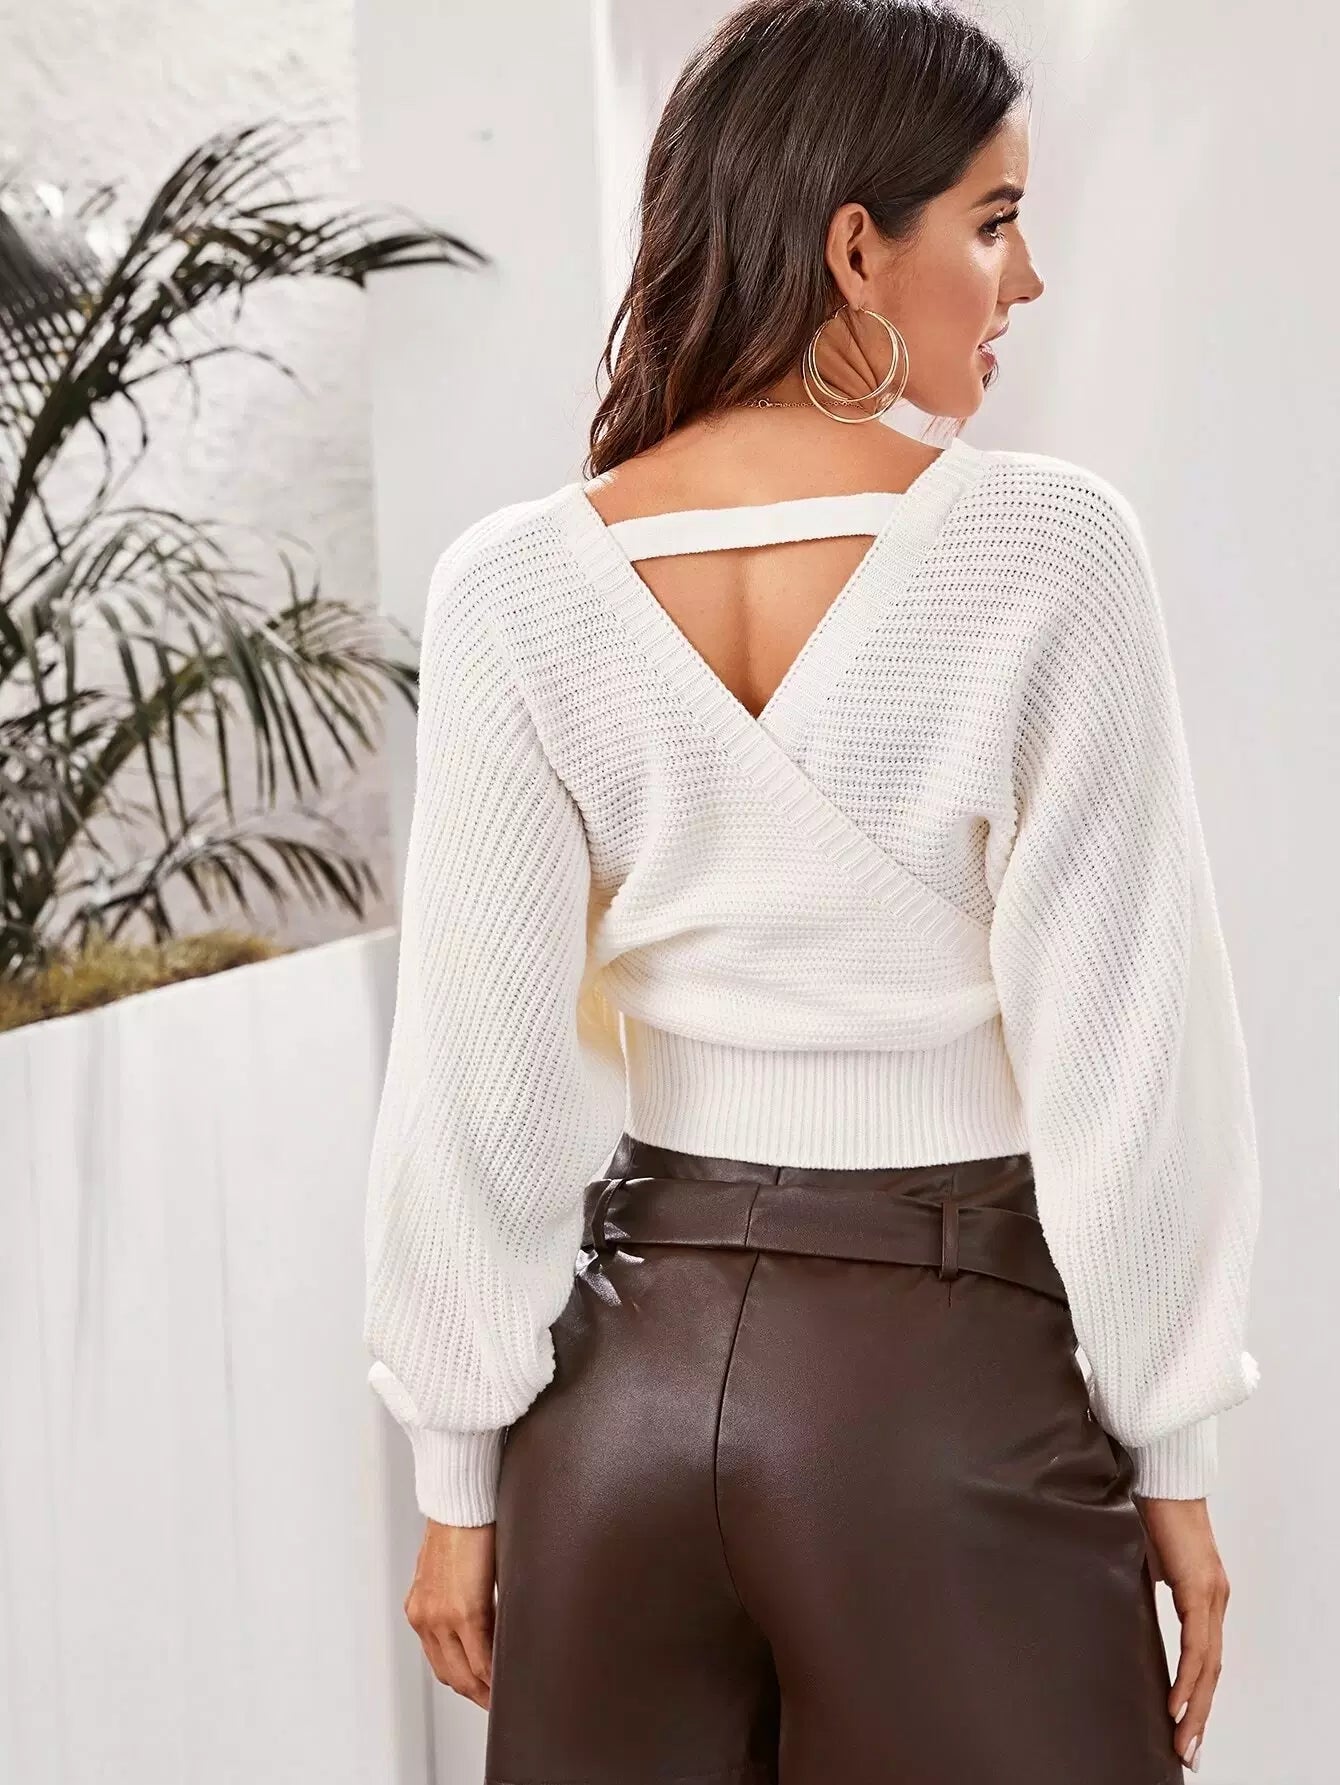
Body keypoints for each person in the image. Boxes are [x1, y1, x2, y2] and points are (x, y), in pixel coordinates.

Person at [362, 2, 1262, 1779]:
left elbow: (474, 1076)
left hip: (615, 1405)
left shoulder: (513, 585)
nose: (1026, 281)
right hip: (940, 1387)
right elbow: (1126, 1050)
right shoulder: (1046, 548)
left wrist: (457, 1476)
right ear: (857, 250)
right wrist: (1173, 1450)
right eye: (993, 223)